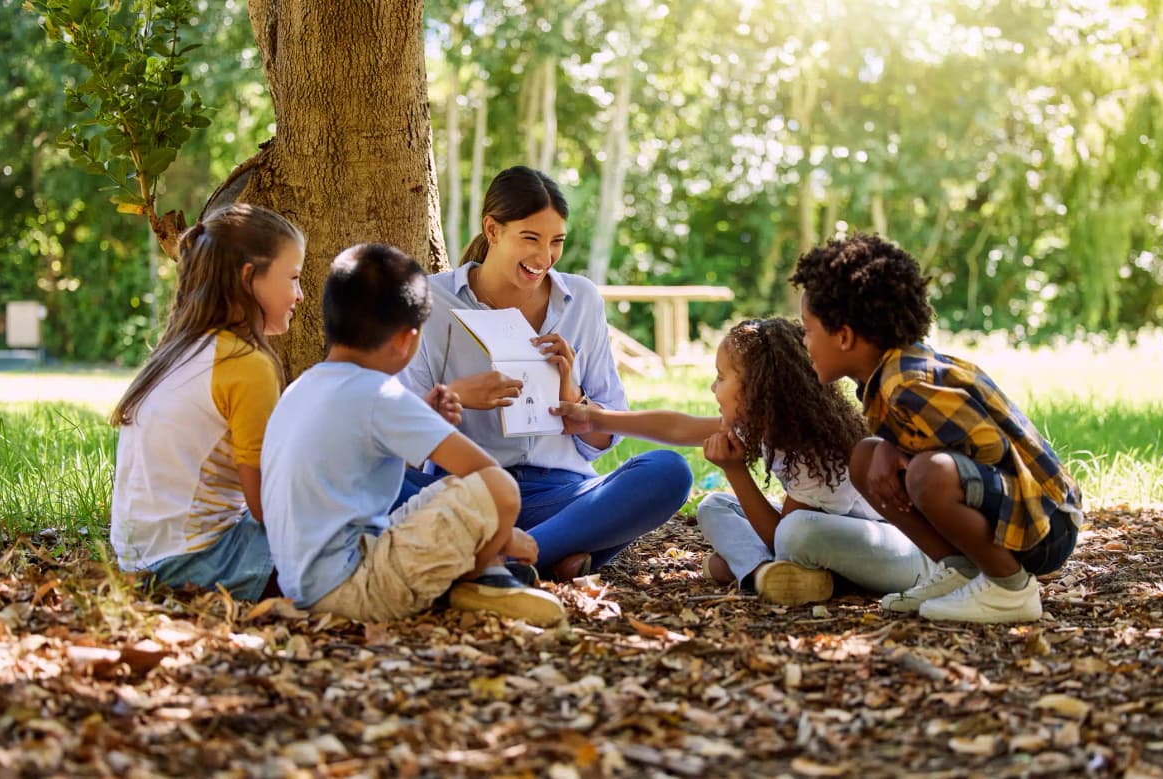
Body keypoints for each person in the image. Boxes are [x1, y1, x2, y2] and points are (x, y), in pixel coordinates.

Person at [400, 166, 692, 581]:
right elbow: (400, 428)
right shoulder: (432, 300)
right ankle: (552, 556)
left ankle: (508, 562)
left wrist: (574, 399)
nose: (544, 257)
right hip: (468, 490)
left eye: (556, 242)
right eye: (531, 238)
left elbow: (604, 437)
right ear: (493, 229)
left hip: (561, 493)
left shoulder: (581, 300)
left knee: (668, 471)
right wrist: (457, 396)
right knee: (376, 480)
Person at [261, 243, 564, 626]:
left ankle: (476, 574)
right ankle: (481, 576)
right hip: (356, 588)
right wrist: (505, 539)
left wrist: (422, 412)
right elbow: (487, 475)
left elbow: (356, 446)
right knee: (499, 489)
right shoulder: (380, 394)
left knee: (445, 490)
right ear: (407, 338)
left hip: (303, 583)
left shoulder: (303, 387)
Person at [790, 233, 1084, 623]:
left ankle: (1010, 590)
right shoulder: (887, 377)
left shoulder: (907, 383)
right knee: (865, 457)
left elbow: (989, 446)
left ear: (843, 336)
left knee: (931, 474)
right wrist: (890, 446)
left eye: (808, 330)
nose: (804, 342)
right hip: (1014, 510)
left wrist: (902, 451)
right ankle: (961, 570)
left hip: (1045, 521)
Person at [552, 318, 936, 605]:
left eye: (721, 377)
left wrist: (735, 472)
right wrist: (597, 417)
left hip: (899, 553)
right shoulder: (766, 423)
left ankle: (794, 575)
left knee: (797, 531)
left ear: (757, 390)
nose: (712, 387)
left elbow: (782, 536)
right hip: (824, 538)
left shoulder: (817, 449)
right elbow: (678, 426)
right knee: (715, 505)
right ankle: (762, 574)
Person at [109, 203, 305, 601]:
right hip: (195, 563)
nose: (300, 295)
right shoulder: (246, 363)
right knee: (347, 535)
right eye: (294, 278)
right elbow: (268, 507)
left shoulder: (180, 349)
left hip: (138, 560)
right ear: (250, 278)